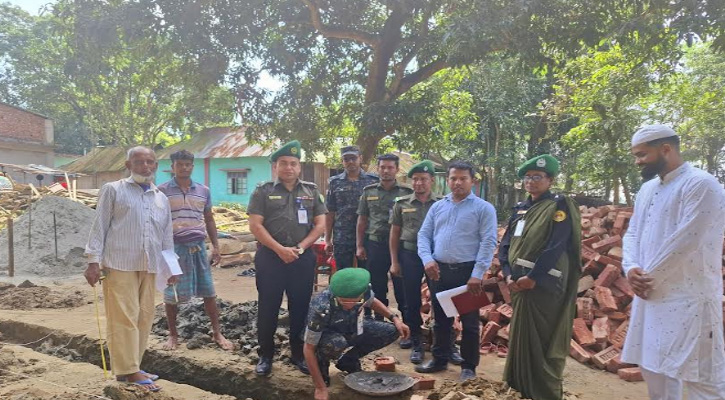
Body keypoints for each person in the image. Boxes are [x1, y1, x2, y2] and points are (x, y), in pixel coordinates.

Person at [621, 125, 725, 400]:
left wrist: (647, 277)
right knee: (655, 369)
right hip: (651, 296)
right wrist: (631, 268)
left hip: (690, 298)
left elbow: (688, 240)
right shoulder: (646, 190)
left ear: (665, 149)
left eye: (642, 155)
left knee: (702, 377)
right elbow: (633, 232)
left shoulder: (701, 184)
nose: (638, 161)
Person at [84, 146, 176, 392]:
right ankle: (128, 370)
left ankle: (133, 366)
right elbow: (100, 225)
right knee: (123, 318)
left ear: (156, 166)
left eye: (150, 162)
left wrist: (172, 268)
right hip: (119, 264)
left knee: (144, 317)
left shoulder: (161, 198)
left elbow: (166, 236)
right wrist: (93, 260)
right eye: (139, 162)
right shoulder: (113, 190)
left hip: (150, 265)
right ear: (128, 165)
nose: (146, 166)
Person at [499, 154, 581, 400]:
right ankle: (520, 386)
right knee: (521, 335)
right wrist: (507, 274)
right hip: (518, 281)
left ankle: (543, 392)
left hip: (544, 283)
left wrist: (534, 277)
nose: (531, 181)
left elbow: (556, 245)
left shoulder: (559, 205)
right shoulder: (521, 209)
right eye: (527, 177)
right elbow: (505, 245)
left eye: (538, 177)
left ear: (550, 180)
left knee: (542, 338)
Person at [248, 140, 327, 376]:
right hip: (270, 258)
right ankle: (265, 356)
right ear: (275, 166)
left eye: (293, 163)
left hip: (301, 258)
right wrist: (279, 249)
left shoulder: (311, 191)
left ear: (299, 167)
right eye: (284, 163)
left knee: (301, 308)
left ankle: (298, 354)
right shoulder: (263, 191)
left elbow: (320, 225)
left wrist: (300, 248)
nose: (289, 168)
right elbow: (255, 225)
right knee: (268, 307)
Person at [416, 161, 498, 381]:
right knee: (440, 319)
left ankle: (468, 366)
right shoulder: (438, 206)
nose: (458, 182)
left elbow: (488, 242)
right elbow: (423, 235)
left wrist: (477, 274)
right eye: (453, 178)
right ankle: (439, 359)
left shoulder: (483, 208)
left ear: (473, 181)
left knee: (469, 322)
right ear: (448, 180)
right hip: (438, 271)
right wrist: (427, 260)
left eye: (463, 178)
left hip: (467, 274)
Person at [157, 150, 234, 351]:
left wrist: (216, 247)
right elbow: (156, 222)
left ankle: (217, 333)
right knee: (171, 293)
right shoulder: (162, 191)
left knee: (209, 291)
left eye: (188, 164)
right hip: (173, 248)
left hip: (198, 247)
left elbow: (209, 219)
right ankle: (173, 335)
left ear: (193, 166)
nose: (184, 168)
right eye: (180, 164)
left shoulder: (203, 190)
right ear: (172, 166)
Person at [303, 268, 410, 400]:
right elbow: (308, 349)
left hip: (352, 326)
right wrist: (319, 387)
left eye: (355, 301)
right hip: (327, 335)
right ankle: (322, 367)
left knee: (391, 331)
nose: (349, 306)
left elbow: (372, 301)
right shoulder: (321, 306)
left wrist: (395, 318)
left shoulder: (363, 289)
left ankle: (348, 360)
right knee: (336, 343)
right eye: (343, 301)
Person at [389, 160, 443, 364]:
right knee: (411, 300)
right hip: (409, 255)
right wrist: (394, 262)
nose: (419, 183)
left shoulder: (442, 203)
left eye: (424, 179)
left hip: (435, 257)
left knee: (438, 298)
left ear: (432, 181)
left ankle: (441, 340)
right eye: (416, 179)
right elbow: (394, 235)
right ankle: (416, 341)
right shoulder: (401, 204)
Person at [355, 153, 412, 327]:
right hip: (375, 244)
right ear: (378, 169)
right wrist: (359, 245)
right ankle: (382, 322)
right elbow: (362, 220)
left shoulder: (406, 192)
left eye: (390, 167)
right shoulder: (369, 192)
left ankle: (407, 322)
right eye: (383, 167)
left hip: (400, 246)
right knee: (377, 284)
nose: (386, 171)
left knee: (401, 285)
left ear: (396, 169)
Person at [325, 145, 379, 269]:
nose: (350, 162)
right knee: (344, 274)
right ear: (342, 162)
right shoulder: (335, 182)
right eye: (346, 159)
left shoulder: (374, 181)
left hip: (367, 236)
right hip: (342, 237)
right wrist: (328, 239)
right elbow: (330, 212)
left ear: (360, 158)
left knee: (366, 275)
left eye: (353, 158)